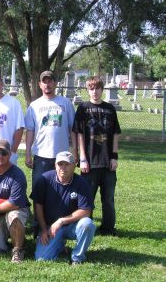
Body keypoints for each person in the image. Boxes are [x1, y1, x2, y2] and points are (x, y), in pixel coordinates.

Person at [73, 76, 121, 236]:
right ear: (88, 90)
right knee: (87, 198)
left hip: (107, 162)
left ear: (102, 90)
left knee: (108, 199)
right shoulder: (83, 109)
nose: (94, 91)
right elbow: (79, 134)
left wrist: (114, 156)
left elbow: (115, 134)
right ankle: (88, 226)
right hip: (90, 162)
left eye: (97, 88)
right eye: (91, 88)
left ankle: (108, 228)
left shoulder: (110, 109)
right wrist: (82, 158)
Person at [31, 151, 96, 264]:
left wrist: (61, 221)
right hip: (51, 227)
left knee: (87, 224)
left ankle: (77, 257)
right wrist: (43, 229)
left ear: (74, 166)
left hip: (73, 226)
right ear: (55, 165)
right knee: (41, 258)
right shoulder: (44, 179)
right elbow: (38, 205)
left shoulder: (82, 183)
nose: (63, 168)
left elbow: (86, 211)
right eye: (60, 164)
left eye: (67, 164)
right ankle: (59, 245)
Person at [25, 70, 77, 186]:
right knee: (39, 191)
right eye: (44, 82)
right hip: (41, 155)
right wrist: (28, 153)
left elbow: (72, 129)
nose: (47, 84)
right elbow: (30, 131)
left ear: (55, 83)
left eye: (50, 81)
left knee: (62, 189)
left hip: (62, 155)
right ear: (40, 85)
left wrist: (75, 150)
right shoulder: (34, 106)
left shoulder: (66, 103)